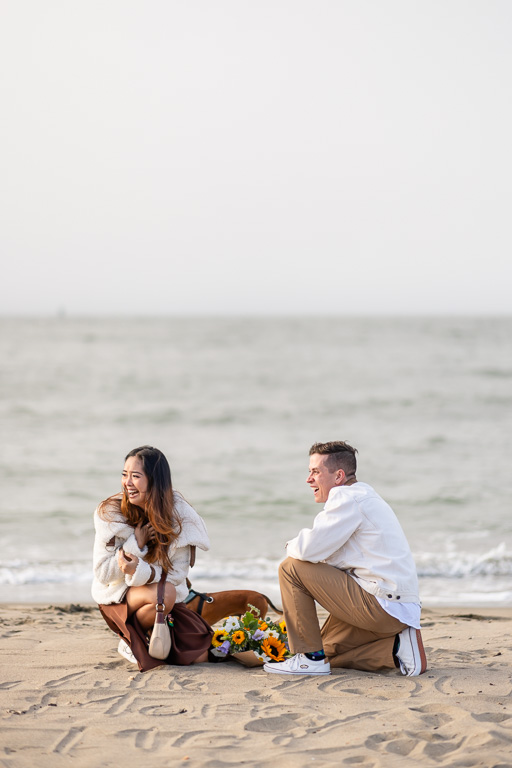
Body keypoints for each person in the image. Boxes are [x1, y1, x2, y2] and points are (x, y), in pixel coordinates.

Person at [264, 441, 427, 677]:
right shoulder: (365, 496)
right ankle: (396, 650)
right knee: (328, 650)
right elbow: (329, 556)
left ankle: (308, 659)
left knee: (290, 568)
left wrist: (288, 544)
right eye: (309, 471)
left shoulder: (346, 498)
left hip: (381, 604)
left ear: (339, 476)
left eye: (315, 472)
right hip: (399, 609)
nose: (309, 479)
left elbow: (308, 550)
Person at [92, 445, 212, 671]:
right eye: (124, 475)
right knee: (164, 593)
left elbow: (177, 577)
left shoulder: (181, 519)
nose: (127, 482)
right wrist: (135, 545)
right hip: (118, 599)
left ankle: (144, 635)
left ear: (155, 481)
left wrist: (141, 570)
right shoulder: (111, 515)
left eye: (135, 476)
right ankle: (129, 639)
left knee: (200, 655)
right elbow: (102, 573)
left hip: (159, 602)